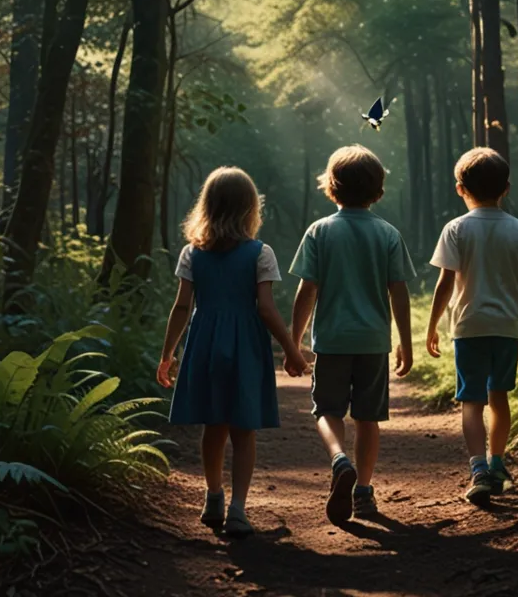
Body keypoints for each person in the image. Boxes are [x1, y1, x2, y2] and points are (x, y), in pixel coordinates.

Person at [157, 167, 308, 538]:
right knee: (243, 430)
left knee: (214, 426)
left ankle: (213, 497)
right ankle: (238, 509)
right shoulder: (261, 253)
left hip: (205, 344)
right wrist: (291, 350)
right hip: (245, 348)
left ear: (206, 207)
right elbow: (266, 309)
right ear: (250, 208)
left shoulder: (193, 253)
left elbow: (181, 307)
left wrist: (167, 354)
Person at [289, 145, 416, 525]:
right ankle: (363, 490)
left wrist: (294, 342)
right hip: (373, 343)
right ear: (378, 192)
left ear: (331, 188)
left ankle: (338, 460)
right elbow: (399, 291)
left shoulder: (319, 232)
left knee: (326, 411)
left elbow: (306, 290)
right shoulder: (388, 234)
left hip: (330, 342)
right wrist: (405, 343)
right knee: (367, 418)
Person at [425, 148, 518, 508]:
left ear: (460, 188)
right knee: (500, 397)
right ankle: (497, 463)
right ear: (506, 188)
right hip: (508, 327)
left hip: (468, 326)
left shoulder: (456, 229)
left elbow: (445, 284)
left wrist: (432, 326)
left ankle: (478, 469)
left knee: (472, 402)